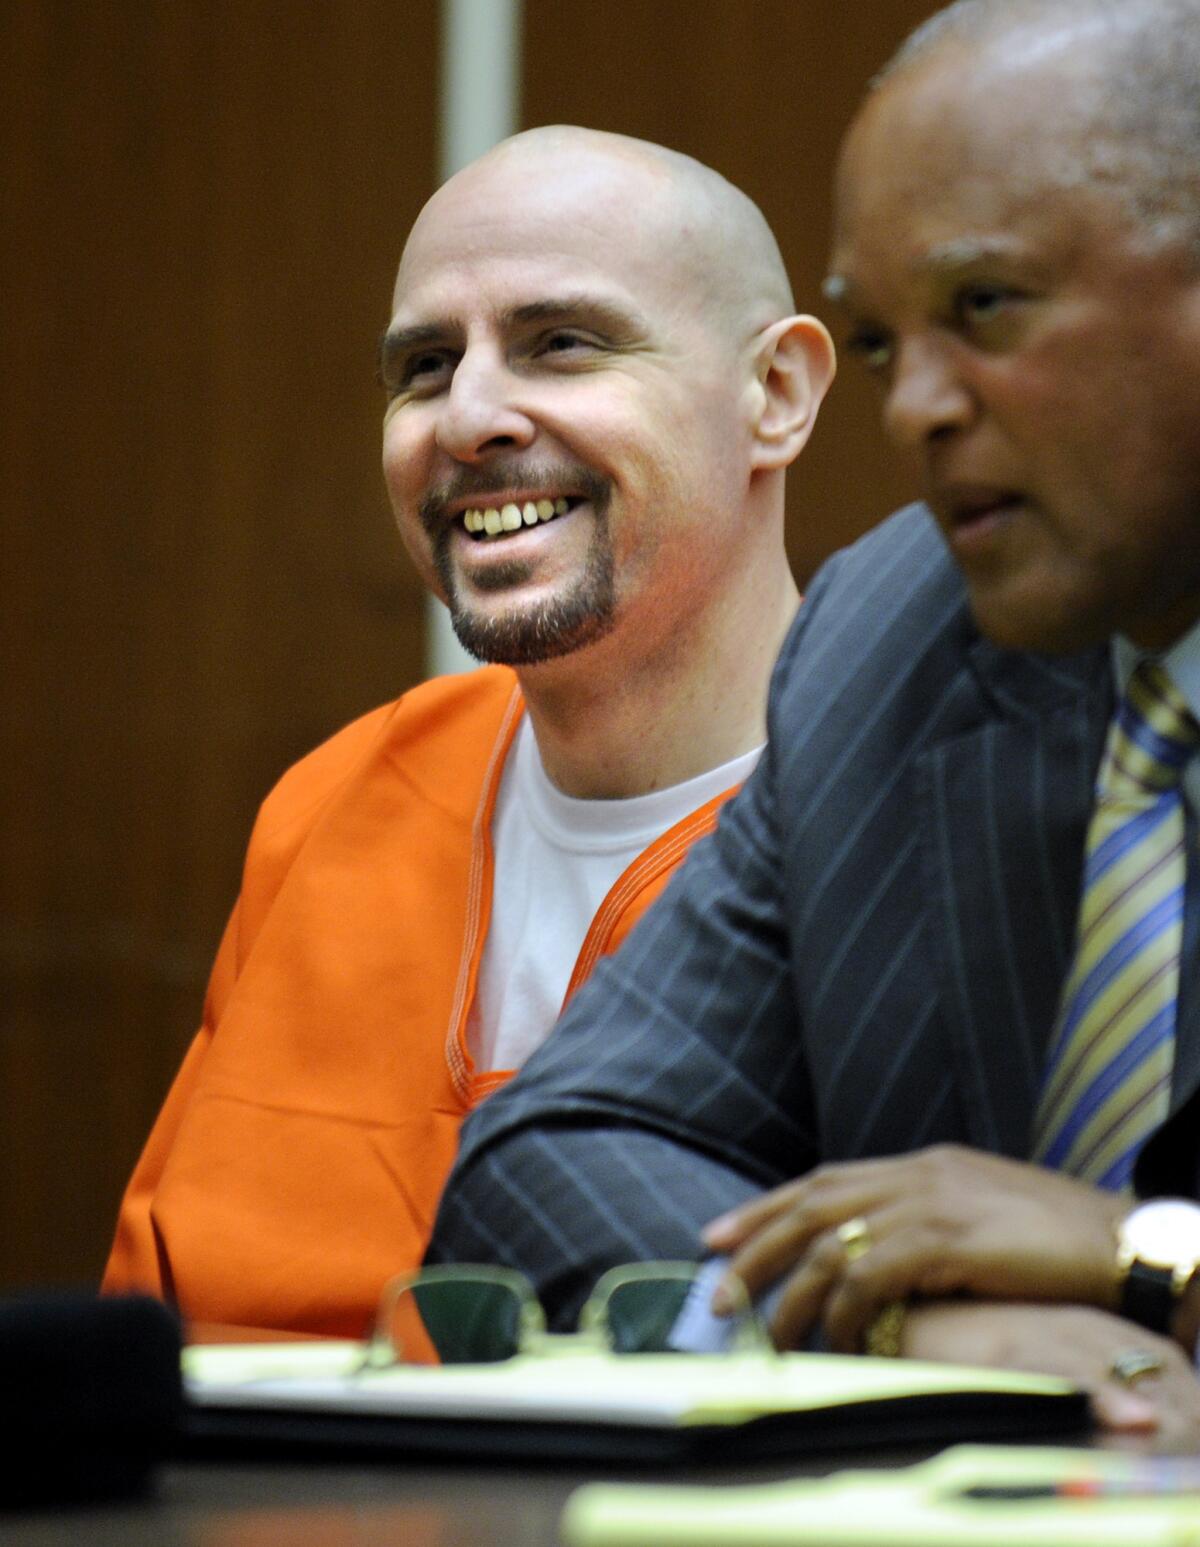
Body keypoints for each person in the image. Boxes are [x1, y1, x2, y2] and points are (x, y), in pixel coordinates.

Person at [429, 0, 1200, 1444]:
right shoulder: (891, 638)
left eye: (986, 307)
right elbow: (552, 1155)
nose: (911, 406)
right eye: (879, 335)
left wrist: (1143, 1253)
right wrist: (910, 1311)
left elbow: (1116, 1253)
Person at [100, 127, 835, 1337]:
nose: (471, 417)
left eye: (563, 343)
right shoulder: (338, 801)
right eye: (426, 367)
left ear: (775, 395)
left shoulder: (916, 835)